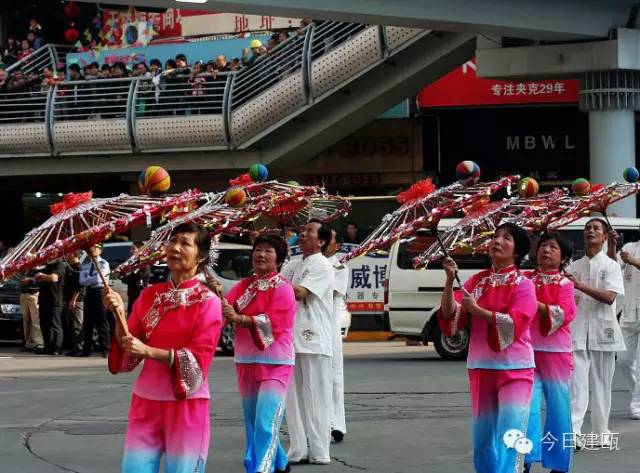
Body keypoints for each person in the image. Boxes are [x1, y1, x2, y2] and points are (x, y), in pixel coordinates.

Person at [105, 223, 222, 473]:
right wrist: (118, 315)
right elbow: (128, 344)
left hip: (186, 402)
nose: (175, 248)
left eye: (185, 243)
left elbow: (199, 358)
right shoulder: (149, 295)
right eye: (173, 241)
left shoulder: (208, 302)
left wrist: (148, 351)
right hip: (145, 399)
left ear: (201, 257)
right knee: (133, 468)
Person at [439, 223, 537, 473]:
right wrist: (450, 280)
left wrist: (478, 311)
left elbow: (516, 322)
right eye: (495, 236)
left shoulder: (524, 284)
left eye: (506, 238)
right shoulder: (477, 281)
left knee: (510, 435)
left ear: (517, 251)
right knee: (482, 440)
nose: (497, 241)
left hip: (516, 369)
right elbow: (451, 316)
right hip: (481, 366)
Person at [214, 234, 297, 473]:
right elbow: (221, 313)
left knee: (266, 421)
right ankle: (280, 462)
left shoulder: (283, 288)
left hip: (276, 362)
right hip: (245, 361)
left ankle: (261, 468)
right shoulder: (244, 286)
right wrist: (215, 301)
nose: (261, 254)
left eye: (268, 251)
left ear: (279, 259)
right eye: (258, 249)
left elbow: (275, 322)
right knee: (253, 423)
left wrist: (240, 319)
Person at [566, 217, 625, 448]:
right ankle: (575, 434)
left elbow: (610, 297)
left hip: (604, 332)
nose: (590, 231)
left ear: (604, 236)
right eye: (587, 228)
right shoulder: (572, 267)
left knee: (601, 387)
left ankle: (601, 434)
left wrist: (580, 286)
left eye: (596, 228)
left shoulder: (612, 265)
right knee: (577, 386)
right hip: (578, 332)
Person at [281, 219, 335, 465]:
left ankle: (320, 450)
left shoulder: (323, 265)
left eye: (309, 232)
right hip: (290, 338)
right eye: (302, 230)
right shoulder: (292, 263)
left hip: (314, 337)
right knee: (292, 398)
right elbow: (277, 286)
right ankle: (298, 448)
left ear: (321, 241)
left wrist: (274, 282)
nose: (303, 234)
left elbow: (300, 293)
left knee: (316, 396)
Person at [523, 233, 576, 473]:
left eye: (553, 247)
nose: (546, 250)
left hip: (556, 353)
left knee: (558, 410)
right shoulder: (524, 280)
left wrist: (535, 304)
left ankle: (559, 464)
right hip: (527, 352)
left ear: (563, 257)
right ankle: (523, 460)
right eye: (543, 245)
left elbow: (565, 314)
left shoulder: (565, 284)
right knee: (527, 408)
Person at [324, 228, 348, 442]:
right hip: (305, 327)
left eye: (328, 239)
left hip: (328, 327)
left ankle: (336, 424)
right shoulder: (301, 263)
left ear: (336, 246)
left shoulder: (339, 268)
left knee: (333, 378)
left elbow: (329, 293)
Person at [618, 235, 640, 420]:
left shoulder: (632, 255)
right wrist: (611, 244)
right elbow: (612, 266)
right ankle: (637, 393)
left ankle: (637, 405)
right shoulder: (629, 247)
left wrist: (635, 262)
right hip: (629, 312)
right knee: (623, 360)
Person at [79, 244, 111, 357]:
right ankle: (86, 349)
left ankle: (106, 349)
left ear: (100, 250)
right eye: (90, 248)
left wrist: (89, 279)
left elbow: (99, 278)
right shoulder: (86, 265)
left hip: (99, 292)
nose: (91, 249)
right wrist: (91, 279)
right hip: (89, 293)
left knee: (101, 321)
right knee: (87, 322)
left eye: (95, 247)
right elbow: (82, 281)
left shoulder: (104, 263)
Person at [35, 259, 66, 355]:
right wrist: (39, 277)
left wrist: (42, 276)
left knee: (55, 325)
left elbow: (54, 278)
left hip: (55, 299)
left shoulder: (59, 264)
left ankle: (57, 348)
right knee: (45, 324)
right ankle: (48, 347)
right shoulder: (46, 266)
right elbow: (37, 277)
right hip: (44, 299)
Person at [64, 251, 86, 356]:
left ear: (74, 255)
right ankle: (73, 348)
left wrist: (73, 300)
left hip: (77, 300)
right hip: (68, 300)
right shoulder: (69, 268)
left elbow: (79, 286)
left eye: (69, 254)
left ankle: (79, 348)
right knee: (70, 325)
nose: (67, 256)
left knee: (77, 325)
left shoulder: (79, 268)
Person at [120, 243, 151, 315]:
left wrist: (128, 274)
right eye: (131, 249)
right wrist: (124, 274)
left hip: (140, 294)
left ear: (140, 250)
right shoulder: (131, 263)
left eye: (133, 248)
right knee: (130, 315)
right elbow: (124, 279)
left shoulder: (144, 263)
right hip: (131, 294)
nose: (131, 251)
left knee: (139, 316)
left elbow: (138, 277)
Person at [19, 268, 43, 352]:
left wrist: (30, 280)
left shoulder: (40, 266)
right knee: (26, 321)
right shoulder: (25, 267)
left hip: (33, 294)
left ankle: (38, 343)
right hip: (24, 294)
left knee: (35, 320)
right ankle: (28, 343)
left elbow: (41, 280)